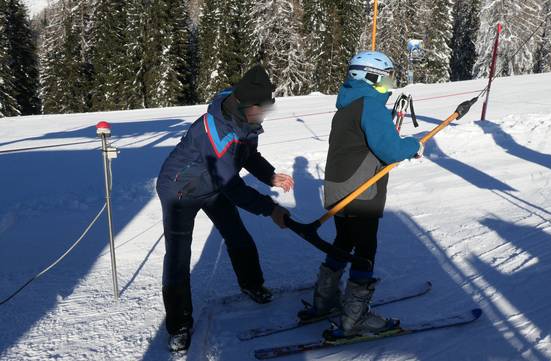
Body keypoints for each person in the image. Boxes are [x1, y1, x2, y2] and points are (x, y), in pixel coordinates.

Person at [156, 65, 294, 352]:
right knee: (179, 257)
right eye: (263, 109)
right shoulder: (215, 131)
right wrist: (270, 209)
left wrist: (269, 175)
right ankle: (179, 326)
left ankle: (252, 285)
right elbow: (233, 186)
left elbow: (248, 155)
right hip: (180, 190)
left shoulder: (245, 118)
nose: (266, 114)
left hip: (214, 186)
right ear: (247, 106)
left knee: (237, 235)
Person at [298, 51, 424, 339]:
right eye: (387, 78)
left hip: (338, 189)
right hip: (361, 191)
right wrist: (412, 145)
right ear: (370, 78)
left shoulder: (347, 105)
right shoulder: (371, 105)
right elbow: (390, 150)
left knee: (344, 240)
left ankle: (325, 300)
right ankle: (355, 319)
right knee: (365, 250)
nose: (391, 85)